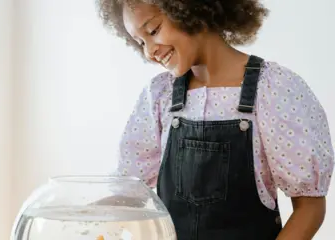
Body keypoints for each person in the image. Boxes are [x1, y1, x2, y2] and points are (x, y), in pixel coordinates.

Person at [95, 0, 334, 239]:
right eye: (140, 42)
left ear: (189, 9)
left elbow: (310, 208)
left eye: (153, 30)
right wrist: (83, 211)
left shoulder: (273, 89)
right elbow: (129, 190)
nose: (149, 51)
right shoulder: (159, 96)